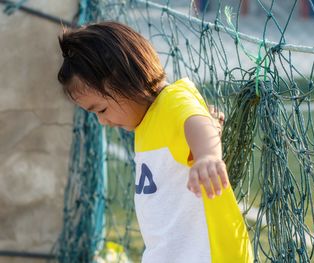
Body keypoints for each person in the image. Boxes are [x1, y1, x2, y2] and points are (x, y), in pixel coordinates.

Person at [57, 21, 253, 263]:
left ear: (124, 79)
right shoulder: (146, 122)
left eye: (101, 109)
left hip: (206, 254)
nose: (102, 121)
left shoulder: (171, 101)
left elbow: (196, 120)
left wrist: (208, 156)